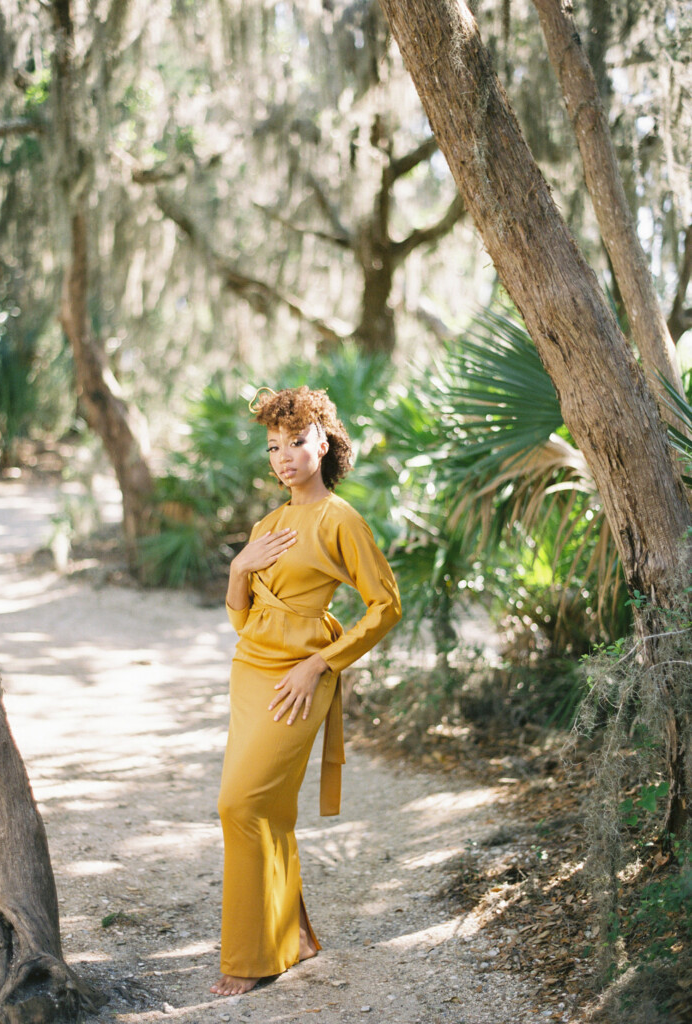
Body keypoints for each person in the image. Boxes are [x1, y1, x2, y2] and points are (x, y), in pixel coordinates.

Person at [210, 385, 401, 997]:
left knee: (239, 805)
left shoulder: (339, 518)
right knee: (260, 810)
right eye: (274, 446)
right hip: (251, 672)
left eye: (297, 441)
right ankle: (288, 940)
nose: (284, 455)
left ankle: (248, 957)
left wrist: (320, 663)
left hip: (298, 678)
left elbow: (385, 605)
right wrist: (240, 567)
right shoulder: (269, 523)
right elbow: (242, 620)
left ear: (325, 442)